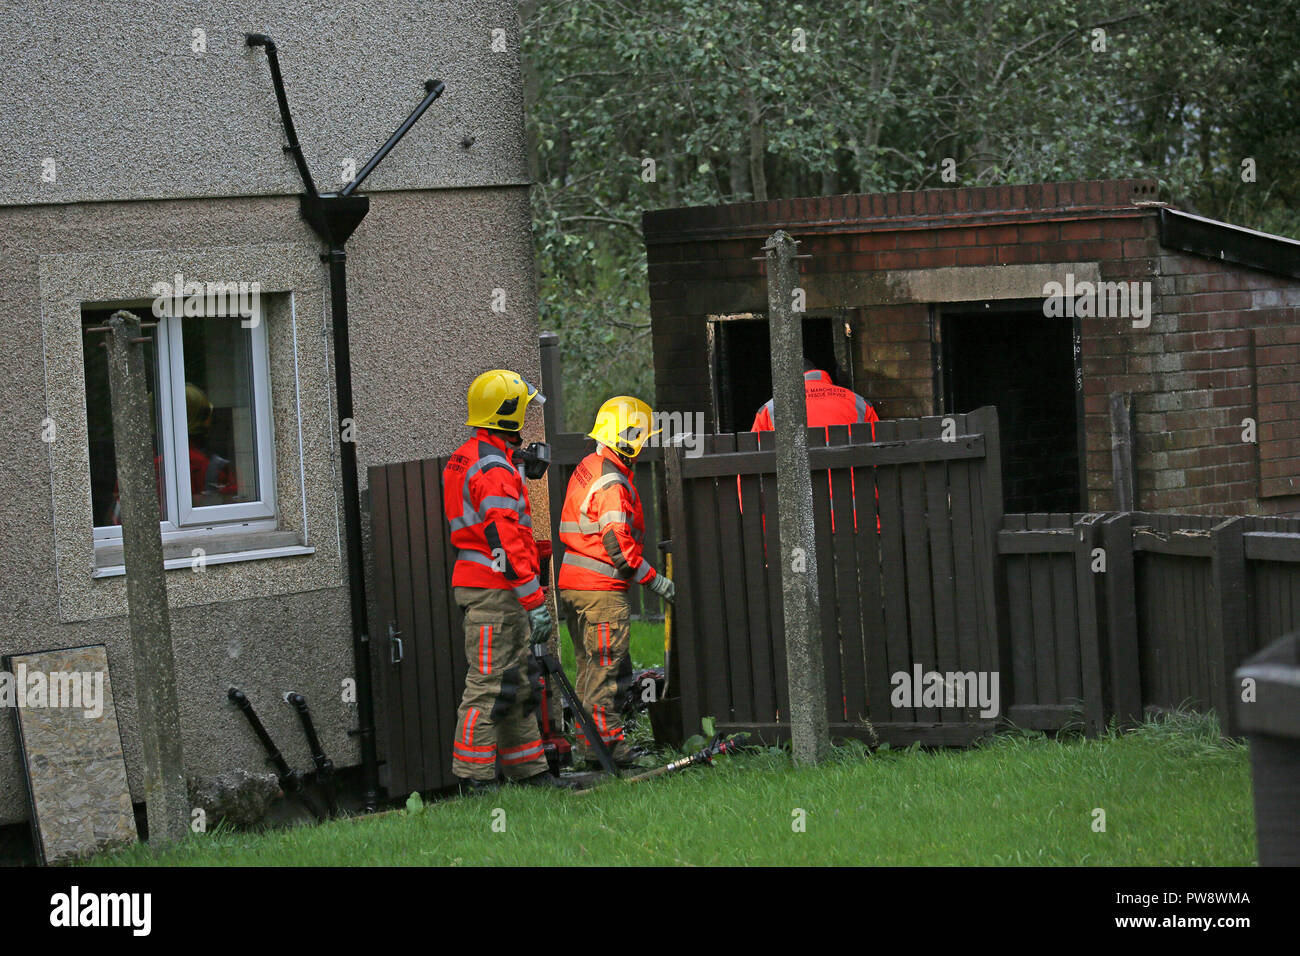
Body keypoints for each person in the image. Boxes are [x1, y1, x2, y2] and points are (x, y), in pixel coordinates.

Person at [443, 369, 575, 792]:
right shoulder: (494, 468)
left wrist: (519, 461)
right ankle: (473, 780)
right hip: (495, 590)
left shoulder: (473, 455)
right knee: (487, 688)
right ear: (508, 415)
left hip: (489, 585)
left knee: (515, 684)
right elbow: (504, 538)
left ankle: (530, 771)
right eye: (523, 412)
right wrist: (534, 600)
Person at [557, 396, 674, 769]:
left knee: (589, 670)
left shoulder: (590, 465)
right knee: (605, 674)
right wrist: (658, 583)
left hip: (575, 587)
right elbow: (619, 548)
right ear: (627, 438)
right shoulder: (612, 481)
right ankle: (612, 751)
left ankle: (590, 748)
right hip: (600, 592)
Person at [750, 358, 879, 532]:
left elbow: (754, 473)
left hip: (799, 529)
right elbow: (880, 461)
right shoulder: (857, 403)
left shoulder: (770, 410)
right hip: (858, 520)